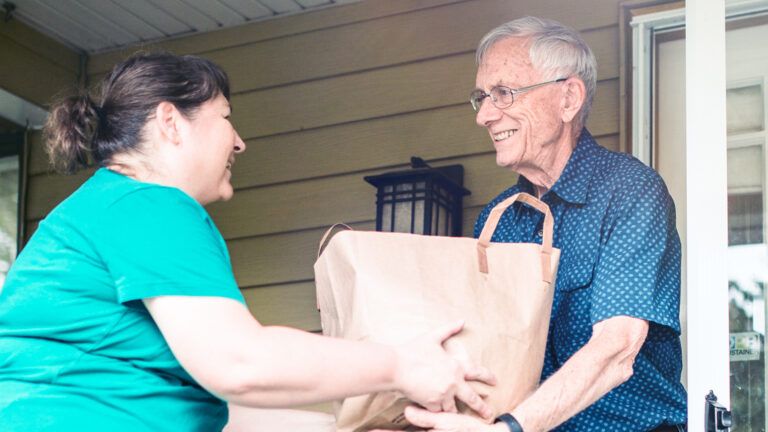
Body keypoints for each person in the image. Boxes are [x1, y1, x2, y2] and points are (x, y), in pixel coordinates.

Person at [0, 52, 495, 431]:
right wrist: (403, 365)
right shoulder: (148, 205)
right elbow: (241, 363)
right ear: (170, 122)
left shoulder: (109, 207)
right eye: (225, 117)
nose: (239, 141)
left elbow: (224, 404)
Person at [400, 16, 687, 432]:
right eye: (481, 96)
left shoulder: (629, 190)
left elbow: (617, 348)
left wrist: (510, 429)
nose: (484, 116)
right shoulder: (497, 219)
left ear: (568, 98)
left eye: (503, 93)